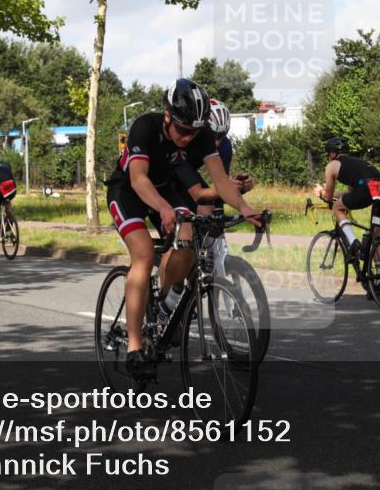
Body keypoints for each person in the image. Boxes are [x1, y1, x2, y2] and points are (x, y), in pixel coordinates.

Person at [105, 79, 262, 381]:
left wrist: (244, 208)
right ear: (168, 117)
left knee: (189, 240)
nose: (189, 137)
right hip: (128, 191)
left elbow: (220, 183)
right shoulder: (145, 127)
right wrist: (164, 209)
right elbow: (139, 179)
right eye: (183, 130)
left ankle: (164, 309)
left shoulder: (199, 135)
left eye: (194, 131)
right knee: (144, 253)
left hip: (166, 189)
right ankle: (135, 348)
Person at [315, 136, 380, 262]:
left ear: (332, 154)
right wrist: (334, 193)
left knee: (336, 207)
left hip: (367, 189)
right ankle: (379, 279)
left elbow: (328, 198)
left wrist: (321, 193)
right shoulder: (358, 163)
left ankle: (354, 243)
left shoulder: (331, 166)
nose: (328, 158)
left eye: (328, 155)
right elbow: (350, 195)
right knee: (376, 239)